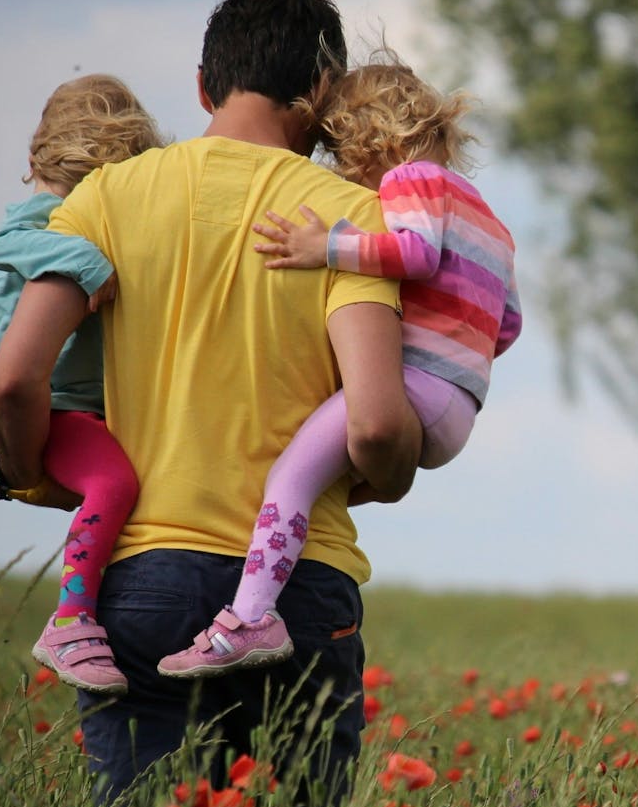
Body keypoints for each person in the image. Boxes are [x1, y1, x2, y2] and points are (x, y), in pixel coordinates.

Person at [0, 0, 422, 801]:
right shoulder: (347, 219)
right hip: (298, 589)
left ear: (201, 84)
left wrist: (34, 473)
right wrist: (390, 477)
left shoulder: (104, 198)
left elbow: (14, 381)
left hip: (141, 577)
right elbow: (373, 426)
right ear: (322, 91)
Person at [155, 57, 522, 678]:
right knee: (322, 480)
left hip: (416, 387)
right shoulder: (490, 219)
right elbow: (507, 325)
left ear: (368, 140)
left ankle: (249, 618)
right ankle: (267, 591)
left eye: (340, 153)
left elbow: (415, 253)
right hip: (460, 405)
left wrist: (323, 246)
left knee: (290, 478)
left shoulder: (411, 180)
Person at [0, 74, 163, 695]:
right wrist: (89, 263)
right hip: (57, 408)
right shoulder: (42, 221)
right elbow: (7, 243)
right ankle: (71, 620)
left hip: (89, 409)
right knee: (114, 483)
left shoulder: (72, 214)